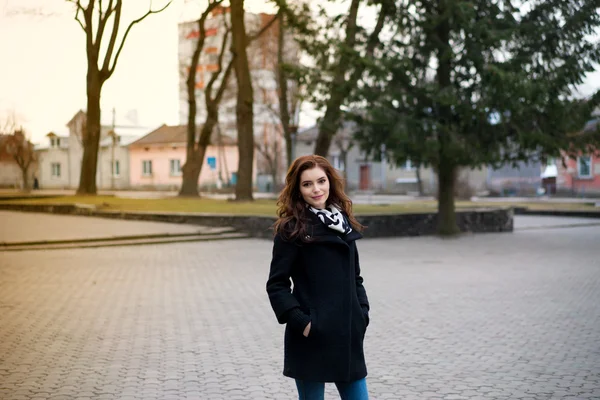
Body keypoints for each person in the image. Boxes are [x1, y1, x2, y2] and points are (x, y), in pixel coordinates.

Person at [266, 155, 370, 400]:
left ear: (330, 182)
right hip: (312, 337)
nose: (316, 189)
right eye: (307, 184)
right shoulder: (291, 229)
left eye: (321, 181)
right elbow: (277, 285)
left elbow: (355, 277)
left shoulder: (343, 224)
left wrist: (362, 313)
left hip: (347, 335)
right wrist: (302, 322)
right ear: (297, 189)